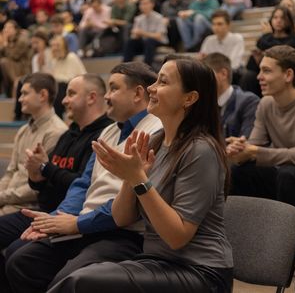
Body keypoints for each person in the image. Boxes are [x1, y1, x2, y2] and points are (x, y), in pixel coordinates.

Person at [46, 55, 233, 293]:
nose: (151, 89)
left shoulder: (201, 149)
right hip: (157, 261)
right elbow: (123, 217)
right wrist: (129, 178)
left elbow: (177, 237)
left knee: (80, 282)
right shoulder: (155, 141)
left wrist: (138, 179)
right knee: (77, 277)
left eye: (162, 83)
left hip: (201, 271)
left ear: (190, 98)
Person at [4, 62, 162, 293]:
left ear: (138, 93)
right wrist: (58, 218)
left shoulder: (155, 131)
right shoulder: (109, 131)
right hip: (86, 224)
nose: (106, 96)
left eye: (113, 88)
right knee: (22, 261)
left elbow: (131, 206)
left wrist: (76, 223)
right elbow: (83, 184)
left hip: (124, 233)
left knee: (69, 278)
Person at [227, 45, 295, 210]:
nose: (259, 77)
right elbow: (255, 145)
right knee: (239, 171)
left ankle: (291, 232)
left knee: (288, 174)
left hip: (291, 175)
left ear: (288, 75)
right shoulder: (265, 103)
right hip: (283, 173)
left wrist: (255, 151)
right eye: (260, 70)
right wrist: (241, 149)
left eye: (266, 71)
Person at [0, 73, 67, 216]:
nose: (20, 99)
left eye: (24, 93)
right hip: (9, 201)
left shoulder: (56, 132)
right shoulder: (23, 130)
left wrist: (2, 197)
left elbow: (39, 187)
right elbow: (11, 172)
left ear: (43, 95)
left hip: (28, 208)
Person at [240, 6, 295, 97]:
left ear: (288, 20)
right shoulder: (265, 38)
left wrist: (267, 34)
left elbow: (279, 52)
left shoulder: (292, 39)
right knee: (248, 76)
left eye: (282, 18)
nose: (278, 21)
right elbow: (250, 66)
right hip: (262, 72)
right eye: (275, 17)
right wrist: (257, 60)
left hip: (280, 73)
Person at [202, 52, 259, 138]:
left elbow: (244, 144)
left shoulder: (249, 102)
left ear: (223, 74)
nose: (200, 81)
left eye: (205, 75)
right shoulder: (202, 104)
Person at [123, 0, 169, 67]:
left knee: (149, 41)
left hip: (159, 42)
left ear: (152, 4)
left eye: (146, 4)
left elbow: (159, 36)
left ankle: (146, 67)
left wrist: (142, 33)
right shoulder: (138, 19)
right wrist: (135, 34)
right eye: (141, 4)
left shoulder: (159, 17)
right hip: (144, 42)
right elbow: (134, 36)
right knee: (130, 42)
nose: (143, 6)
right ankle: (125, 67)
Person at [0, 20, 31, 97]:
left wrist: (5, 44)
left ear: (16, 30)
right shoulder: (7, 40)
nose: (6, 30)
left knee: (3, 62)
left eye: (9, 27)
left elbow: (14, 56)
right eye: (5, 27)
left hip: (22, 68)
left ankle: (15, 84)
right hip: (9, 69)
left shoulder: (22, 40)